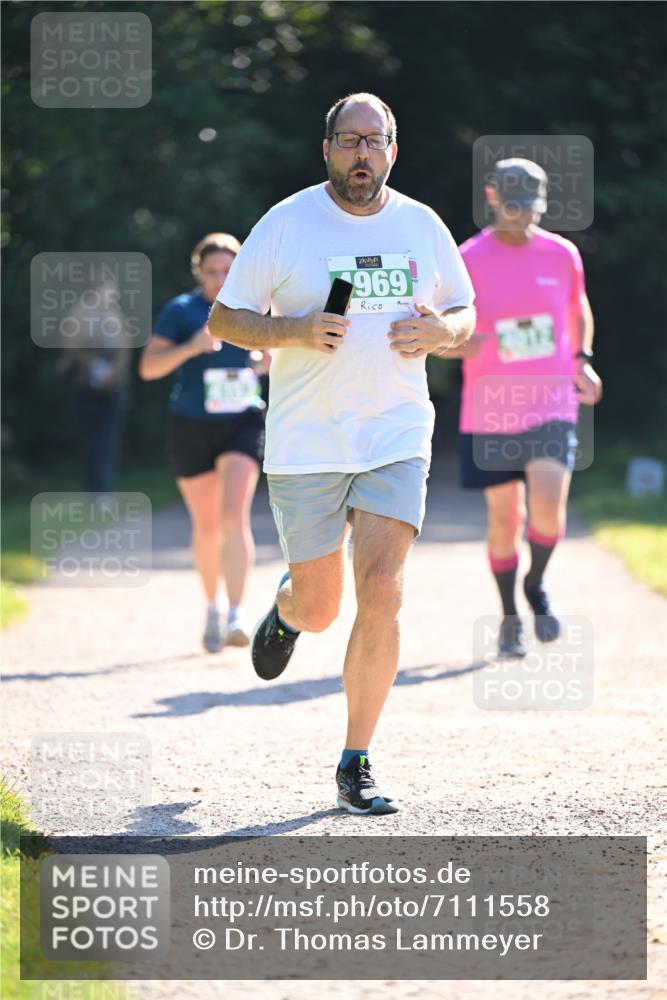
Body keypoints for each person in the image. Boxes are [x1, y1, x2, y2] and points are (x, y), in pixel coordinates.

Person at [208, 93, 476, 815]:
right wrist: (295, 330)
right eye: (349, 140)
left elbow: (464, 309)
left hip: (395, 432)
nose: (363, 153)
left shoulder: (421, 224)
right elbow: (224, 317)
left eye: (375, 140)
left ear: (393, 149)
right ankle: (288, 610)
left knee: (383, 588)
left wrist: (442, 333)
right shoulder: (286, 223)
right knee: (323, 607)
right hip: (307, 440)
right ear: (326, 148)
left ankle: (356, 758)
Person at [441, 158, 602, 658]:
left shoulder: (561, 254)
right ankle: (510, 615)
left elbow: (578, 308)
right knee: (506, 519)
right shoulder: (466, 258)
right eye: (512, 206)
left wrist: (582, 358)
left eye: (529, 207)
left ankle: (536, 583)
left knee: (548, 504)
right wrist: (467, 344)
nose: (521, 215)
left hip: (552, 399)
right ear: (492, 197)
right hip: (490, 407)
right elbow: (442, 335)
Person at [139, 234, 267, 652]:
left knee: (234, 517)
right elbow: (149, 368)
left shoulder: (256, 308)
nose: (219, 279)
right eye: (212, 272)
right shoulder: (181, 311)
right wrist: (191, 347)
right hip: (191, 425)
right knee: (207, 525)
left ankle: (237, 614)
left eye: (228, 271)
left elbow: (286, 354)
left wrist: (268, 360)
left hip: (242, 423)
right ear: (198, 272)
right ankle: (213, 607)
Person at [61, 277, 131, 508]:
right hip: (86, 386)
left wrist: (115, 374)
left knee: (108, 441)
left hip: (113, 388)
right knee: (92, 441)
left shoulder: (115, 315)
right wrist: (94, 365)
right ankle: (94, 491)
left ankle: (103, 492)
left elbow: (124, 350)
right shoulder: (78, 315)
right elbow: (72, 348)